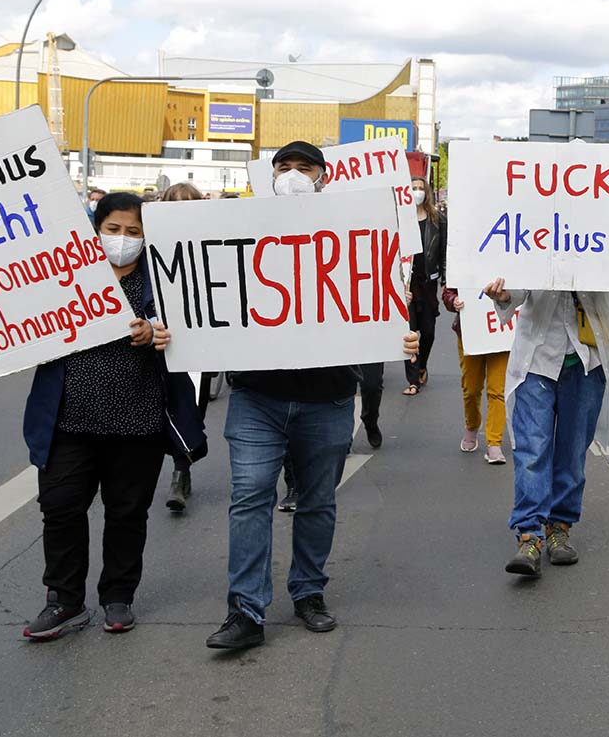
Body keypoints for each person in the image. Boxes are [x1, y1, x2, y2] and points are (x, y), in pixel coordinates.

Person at [0, 191, 207, 639]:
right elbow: (7, 299)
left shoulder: (163, 280)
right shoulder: (60, 275)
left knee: (127, 513)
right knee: (60, 509)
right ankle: (64, 601)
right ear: (95, 229)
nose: (122, 239)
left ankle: (118, 596)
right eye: (113, 229)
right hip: (67, 421)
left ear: (147, 237)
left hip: (137, 421)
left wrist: (158, 330)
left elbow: (193, 328)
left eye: (133, 232)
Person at [206, 141, 420, 651]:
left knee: (318, 501)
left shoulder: (354, 235)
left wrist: (398, 335)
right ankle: (246, 611)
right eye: (285, 167)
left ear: (325, 178)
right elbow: (208, 291)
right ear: (269, 175)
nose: (295, 175)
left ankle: (308, 593)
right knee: (250, 498)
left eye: (306, 168)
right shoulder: (240, 227)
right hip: (258, 396)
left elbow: (377, 299)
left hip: (326, 399)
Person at [485, 217, 609, 577]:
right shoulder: (533, 211)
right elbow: (518, 272)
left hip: (586, 357)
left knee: (572, 448)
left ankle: (559, 526)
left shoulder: (603, 213)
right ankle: (529, 534)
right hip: (537, 356)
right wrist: (504, 294)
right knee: (532, 448)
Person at [157, 182, 217, 512]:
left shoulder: (216, 241)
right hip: (159, 343)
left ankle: (181, 470)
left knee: (190, 409)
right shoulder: (149, 244)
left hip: (200, 343)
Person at [443, 287, 510, 464]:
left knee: (497, 390)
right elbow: (448, 290)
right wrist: (453, 301)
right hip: (470, 333)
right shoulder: (463, 260)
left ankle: (494, 443)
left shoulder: (509, 260)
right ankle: (472, 425)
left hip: (500, 333)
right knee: (471, 388)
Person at [403, 175, 444, 396]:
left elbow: (443, 252)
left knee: (427, 333)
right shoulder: (401, 218)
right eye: (413, 188)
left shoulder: (437, 220)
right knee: (409, 332)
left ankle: (422, 365)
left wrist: (447, 280)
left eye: (420, 188)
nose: (417, 191)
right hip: (407, 285)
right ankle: (412, 380)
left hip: (428, 284)